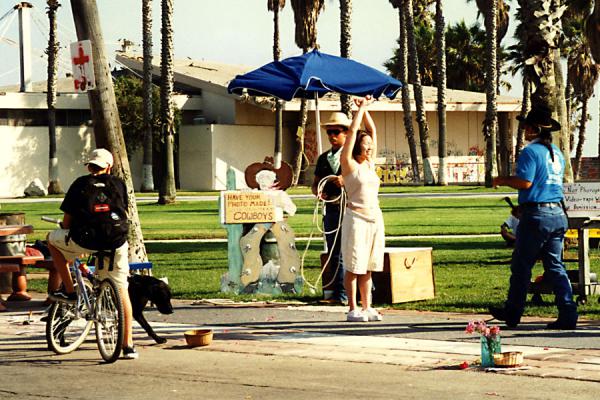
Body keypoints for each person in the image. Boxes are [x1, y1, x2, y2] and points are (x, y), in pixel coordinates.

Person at [489, 104, 578, 330]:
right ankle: (568, 314)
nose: (524, 129)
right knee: (555, 266)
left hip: (537, 215)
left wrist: (501, 179)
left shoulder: (530, 151)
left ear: (534, 129)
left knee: (522, 265)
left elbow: (525, 182)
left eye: (527, 126)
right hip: (557, 213)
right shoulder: (556, 153)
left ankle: (512, 313)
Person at [47, 148, 139, 358]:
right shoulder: (118, 184)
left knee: (52, 241)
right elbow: (122, 211)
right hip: (116, 242)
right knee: (121, 289)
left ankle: (69, 291)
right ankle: (128, 345)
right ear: (109, 166)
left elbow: (68, 222)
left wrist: (65, 226)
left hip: (86, 240)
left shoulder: (80, 184)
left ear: (89, 166)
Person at [340, 96, 385, 322]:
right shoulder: (349, 164)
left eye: (370, 145)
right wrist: (357, 114)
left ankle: (368, 307)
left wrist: (365, 107)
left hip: (374, 218)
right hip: (356, 218)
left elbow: (372, 130)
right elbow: (353, 133)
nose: (369, 147)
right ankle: (352, 308)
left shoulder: (369, 164)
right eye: (365, 144)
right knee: (354, 265)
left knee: (368, 266)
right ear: (358, 146)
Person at [311, 111, 352, 305]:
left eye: (336, 132)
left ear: (346, 133)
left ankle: (348, 294)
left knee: (349, 251)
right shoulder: (323, 158)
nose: (332, 136)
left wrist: (346, 180)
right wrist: (319, 192)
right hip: (331, 210)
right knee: (334, 252)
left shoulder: (353, 156)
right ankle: (339, 293)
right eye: (329, 132)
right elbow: (315, 183)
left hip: (350, 209)